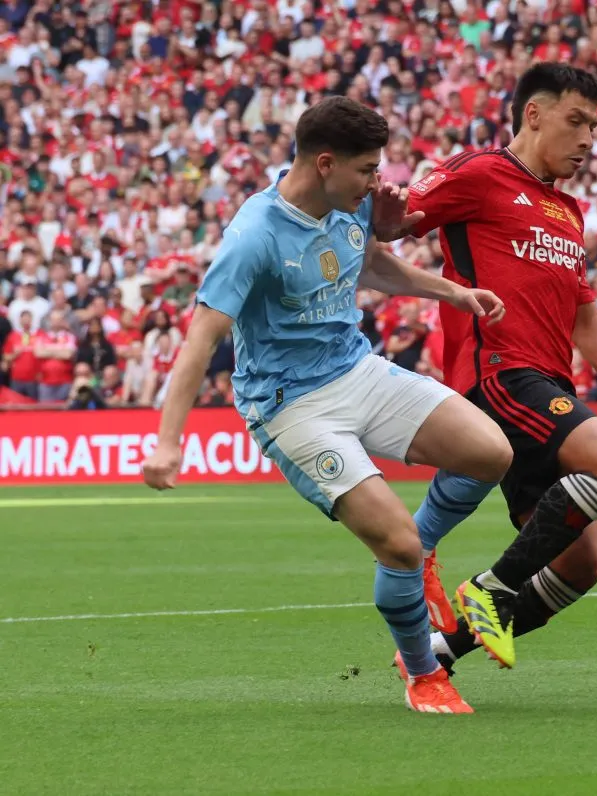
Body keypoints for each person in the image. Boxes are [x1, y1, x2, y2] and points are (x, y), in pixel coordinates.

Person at [141, 97, 514, 715]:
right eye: (367, 169)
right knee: (394, 542)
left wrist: (453, 291)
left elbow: (368, 262)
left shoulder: (353, 202)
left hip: (356, 369)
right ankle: (423, 673)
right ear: (323, 163)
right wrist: (166, 441)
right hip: (291, 404)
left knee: (490, 453)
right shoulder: (254, 236)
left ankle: (422, 557)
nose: (377, 182)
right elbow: (200, 341)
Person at [403, 64, 597, 672]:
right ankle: (488, 589)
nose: (587, 140)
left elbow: (584, 318)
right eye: (575, 122)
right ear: (534, 113)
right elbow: (395, 218)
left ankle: (438, 655)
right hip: (499, 373)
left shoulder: (567, 213)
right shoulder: (479, 174)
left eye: (594, 127)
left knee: (581, 566)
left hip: (547, 383)